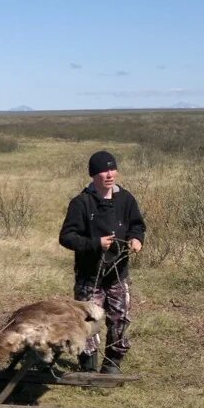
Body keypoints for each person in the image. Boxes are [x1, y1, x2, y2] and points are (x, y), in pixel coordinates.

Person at [59, 150, 146, 374]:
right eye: (103, 171)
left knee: (121, 319)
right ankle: (88, 366)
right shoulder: (81, 203)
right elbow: (67, 237)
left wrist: (136, 239)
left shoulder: (126, 199)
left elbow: (137, 225)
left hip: (118, 274)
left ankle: (112, 364)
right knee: (89, 321)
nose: (109, 174)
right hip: (90, 275)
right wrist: (96, 243)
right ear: (93, 175)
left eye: (112, 169)